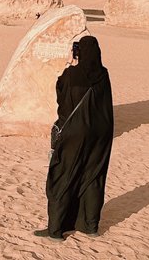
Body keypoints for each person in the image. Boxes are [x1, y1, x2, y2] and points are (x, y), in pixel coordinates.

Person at [35, 35, 114, 241]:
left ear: (77, 53)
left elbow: (61, 96)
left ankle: (56, 230)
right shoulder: (103, 75)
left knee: (63, 175)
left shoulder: (72, 74)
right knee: (93, 176)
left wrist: (70, 63)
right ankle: (90, 226)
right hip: (100, 135)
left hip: (75, 134)